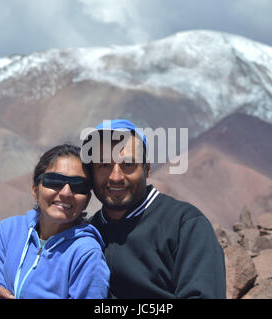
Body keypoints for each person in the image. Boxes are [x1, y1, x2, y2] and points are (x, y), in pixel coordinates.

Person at [82, 119, 226, 298]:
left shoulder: (184, 225)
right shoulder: (88, 233)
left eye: (128, 165)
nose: (116, 177)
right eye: (104, 165)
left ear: (147, 169)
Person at [0, 144, 110, 299]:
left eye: (78, 186)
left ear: (87, 200)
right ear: (35, 190)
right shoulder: (9, 230)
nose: (66, 193)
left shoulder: (86, 253)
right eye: (54, 181)